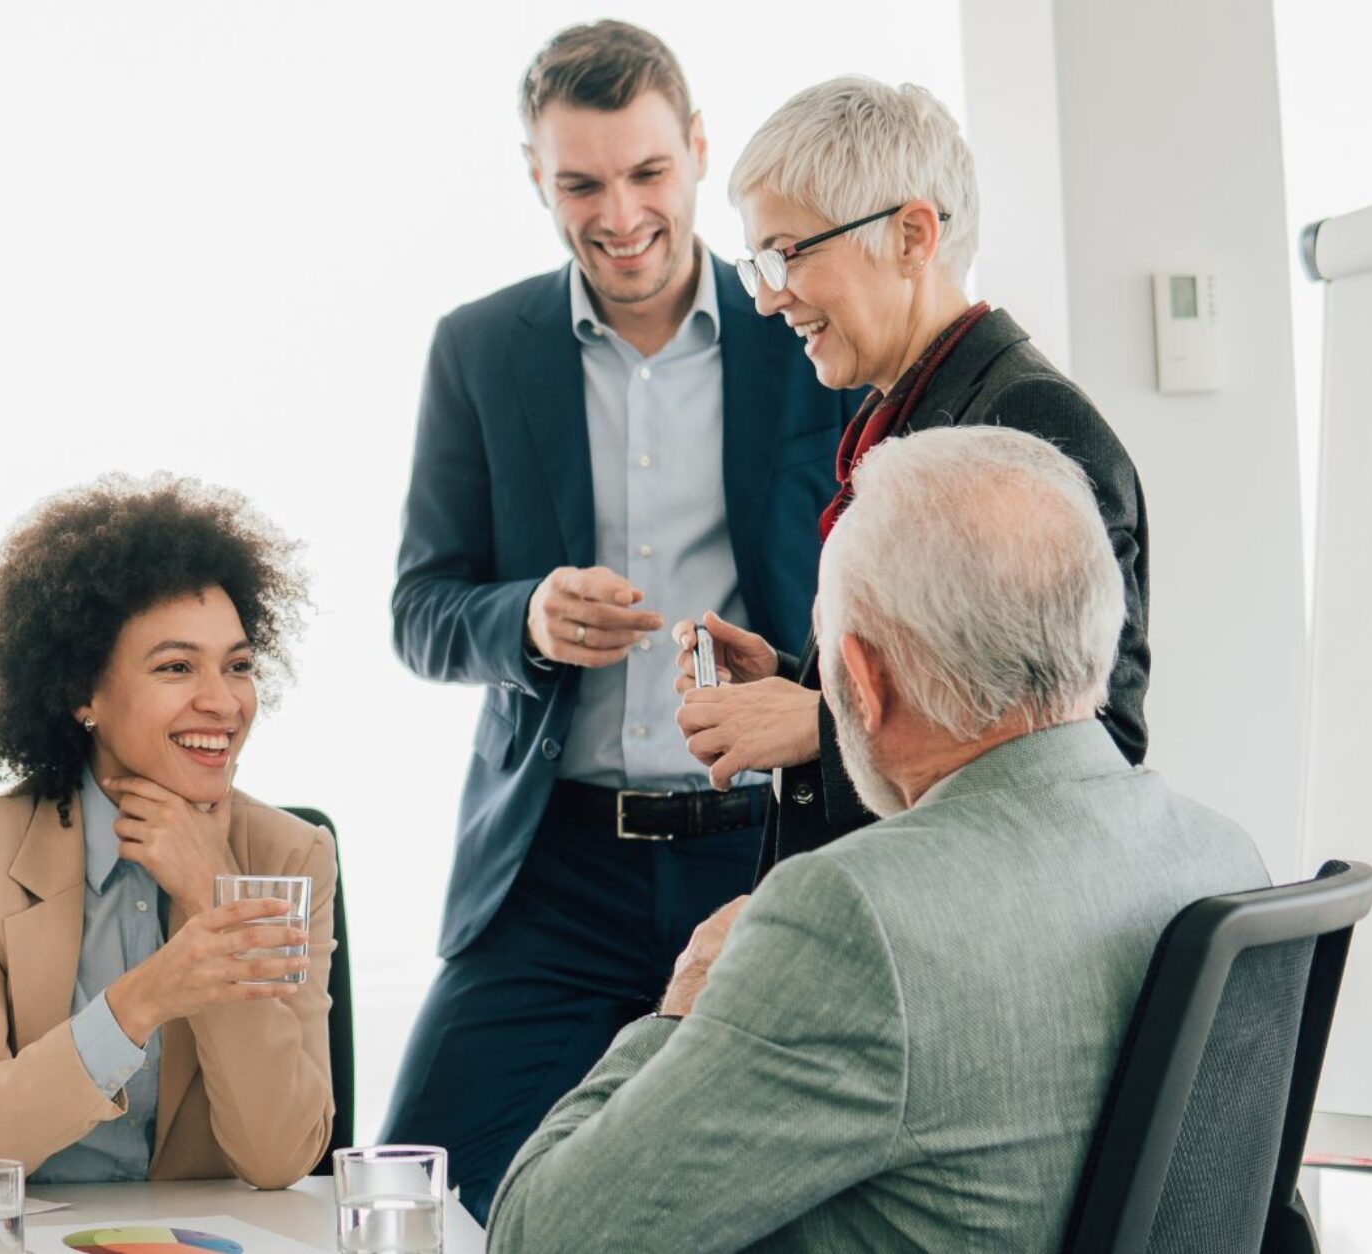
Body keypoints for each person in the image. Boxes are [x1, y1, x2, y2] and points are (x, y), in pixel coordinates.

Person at [487, 426, 1266, 1251]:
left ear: (859, 677)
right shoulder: (1223, 858)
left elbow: (544, 1237)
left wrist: (684, 1005)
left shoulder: (851, 916)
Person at [384, 20, 850, 1217]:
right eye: (581, 182)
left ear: (697, 151)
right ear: (535, 176)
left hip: (765, 850)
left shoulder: (805, 340)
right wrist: (527, 617)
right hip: (553, 866)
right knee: (416, 1188)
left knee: (749, 1200)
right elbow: (421, 610)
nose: (620, 213)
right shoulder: (480, 351)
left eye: (647, 173)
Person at [673, 76, 1150, 874]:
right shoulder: (910, 413)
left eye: (786, 255)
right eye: (758, 262)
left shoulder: (1024, 420)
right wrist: (801, 679)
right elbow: (965, 680)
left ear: (912, 237)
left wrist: (817, 726)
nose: (766, 299)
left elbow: (1095, 738)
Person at [0, 475, 336, 1189]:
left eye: (238, 666)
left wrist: (213, 892)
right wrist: (144, 1000)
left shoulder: (293, 855)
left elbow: (281, 1156)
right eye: (176, 667)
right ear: (83, 694)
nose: (222, 702)